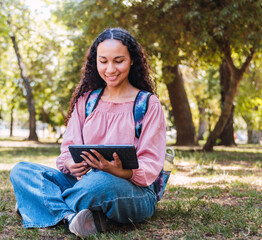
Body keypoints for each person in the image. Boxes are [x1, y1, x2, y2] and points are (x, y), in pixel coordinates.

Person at [10, 28, 166, 237]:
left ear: (132, 61)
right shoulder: (86, 101)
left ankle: (37, 203)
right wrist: (69, 164)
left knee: (100, 182)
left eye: (118, 60)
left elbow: (151, 163)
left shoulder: (148, 104)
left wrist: (119, 172)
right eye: (103, 61)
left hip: (130, 189)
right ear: (96, 62)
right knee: (21, 171)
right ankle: (73, 217)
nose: (110, 69)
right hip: (82, 182)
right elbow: (67, 150)